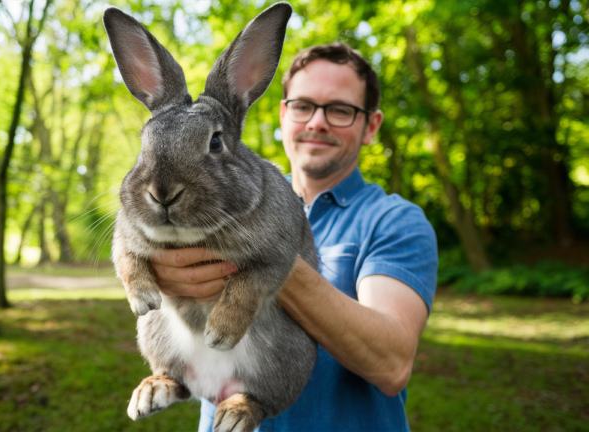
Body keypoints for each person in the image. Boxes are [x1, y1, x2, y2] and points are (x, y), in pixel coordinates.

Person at [150, 42, 438, 432]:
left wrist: (268, 257)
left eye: (340, 110)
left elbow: (391, 362)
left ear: (371, 126)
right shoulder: (216, 201)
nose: (317, 122)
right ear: (284, 115)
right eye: (303, 106)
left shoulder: (393, 220)